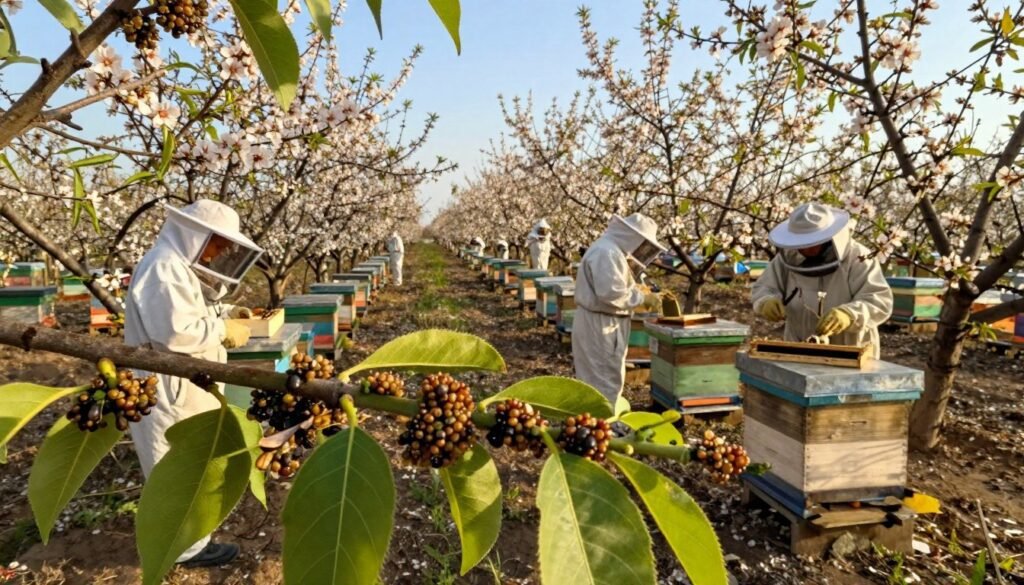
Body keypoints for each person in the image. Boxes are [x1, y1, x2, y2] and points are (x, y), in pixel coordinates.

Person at [124, 200, 263, 567]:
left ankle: (192, 541)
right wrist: (222, 330)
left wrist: (225, 312)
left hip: (183, 389)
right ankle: (183, 551)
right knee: (172, 470)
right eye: (219, 244)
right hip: (165, 391)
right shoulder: (163, 267)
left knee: (191, 468)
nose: (222, 253)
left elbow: (188, 312)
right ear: (196, 235)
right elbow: (174, 333)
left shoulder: (177, 267)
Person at [752, 202, 892, 358]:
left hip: (850, 348)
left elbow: (879, 301)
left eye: (812, 242)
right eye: (801, 243)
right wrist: (766, 301)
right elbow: (763, 287)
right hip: (797, 344)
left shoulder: (858, 258)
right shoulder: (787, 258)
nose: (806, 249)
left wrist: (849, 315)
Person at [572, 214, 665, 404]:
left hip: (603, 322)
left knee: (606, 375)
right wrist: (643, 298)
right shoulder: (607, 252)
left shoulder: (610, 250)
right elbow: (610, 294)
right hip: (601, 325)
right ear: (633, 236)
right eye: (643, 242)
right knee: (602, 378)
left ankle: (602, 423)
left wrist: (638, 290)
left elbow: (615, 286)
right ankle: (603, 426)